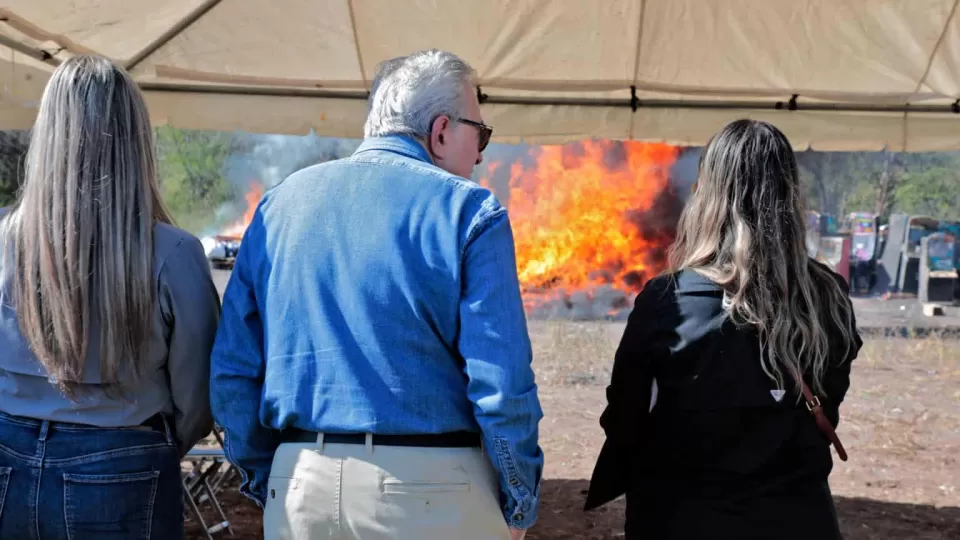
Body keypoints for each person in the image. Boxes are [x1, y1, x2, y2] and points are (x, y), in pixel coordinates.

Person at [210, 49, 543, 540]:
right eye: (481, 134)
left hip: (299, 485)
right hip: (431, 492)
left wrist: (271, 478)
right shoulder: (469, 210)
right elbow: (501, 384)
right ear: (442, 131)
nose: (480, 154)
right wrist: (519, 500)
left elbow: (234, 372)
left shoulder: (277, 207)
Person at [585, 119, 863, 539]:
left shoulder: (669, 300)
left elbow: (625, 416)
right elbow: (829, 401)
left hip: (682, 519)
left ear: (709, 194)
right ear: (789, 193)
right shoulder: (829, 294)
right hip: (798, 519)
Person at [0, 55, 220, 539]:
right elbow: (198, 398)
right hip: (123, 465)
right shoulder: (174, 253)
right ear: (134, 139)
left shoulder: (4, 241)